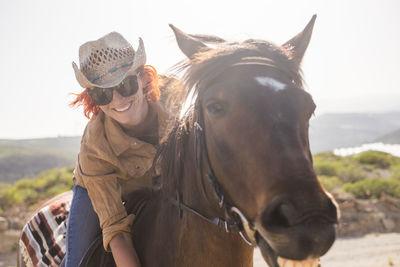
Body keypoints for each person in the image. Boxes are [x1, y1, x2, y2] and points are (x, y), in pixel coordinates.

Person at [64, 32, 173, 267]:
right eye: (103, 93)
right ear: (93, 99)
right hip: (98, 188)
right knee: (76, 262)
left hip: (159, 181)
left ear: (143, 79)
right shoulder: (95, 146)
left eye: (125, 85)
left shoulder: (176, 99)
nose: (117, 100)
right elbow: (117, 231)